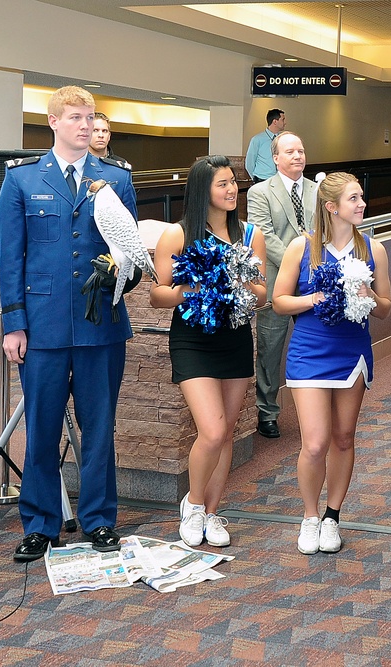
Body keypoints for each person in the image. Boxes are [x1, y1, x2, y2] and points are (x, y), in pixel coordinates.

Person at [0, 85, 140, 562]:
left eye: (91, 116)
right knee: (41, 427)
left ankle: (99, 520)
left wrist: (121, 275)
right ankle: (40, 523)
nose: (85, 124)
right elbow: (10, 258)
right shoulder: (21, 181)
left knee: (100, 428)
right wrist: (13, 324)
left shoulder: (115, 178)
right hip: (42, 326)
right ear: (53, 122)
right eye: (75, 117)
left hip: (100, 325)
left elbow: (132, 253)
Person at [149, 155, 267, 548]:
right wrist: (194, 288)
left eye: (234, 182)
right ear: (203, 190)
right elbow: (157, 295)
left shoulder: (251, 235)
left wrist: (240, 282)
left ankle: (213, 512)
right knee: (212, 430)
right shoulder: (178, 235)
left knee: (227, 432)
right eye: (222, 183)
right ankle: (194, 504)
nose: (232, 189)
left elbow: (263, 295)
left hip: (234, 337)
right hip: (192, 339)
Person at [272, 172, 391, 555]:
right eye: (354, 199)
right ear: (331, 207)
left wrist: (368, 293)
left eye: (361, 197)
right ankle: (309, 517)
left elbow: (387, 310)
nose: (362, 204)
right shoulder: (301, 247)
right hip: (309, 351)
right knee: (315, 442)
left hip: (351, 352)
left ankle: (331, 517)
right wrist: (316, 299)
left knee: (343, 438)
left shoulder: (374, 249)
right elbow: (278, 300)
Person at [246, 131, 317, 439]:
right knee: (270, 349)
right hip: (276, 282)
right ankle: (267, 411)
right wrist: (299, 262)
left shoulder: (320, 190)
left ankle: (316, 409)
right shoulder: (260, 192)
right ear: (275, 158)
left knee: (315, 344)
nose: (297, 156)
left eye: (300, 150)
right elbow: (263, 236)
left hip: (315, 281)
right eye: (290, 152)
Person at [245, 108, 285, 182]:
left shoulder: (283, 139)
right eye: (283, 119)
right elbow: (249, 163)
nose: (285, 123)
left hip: (279, 179)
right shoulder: (257, 139)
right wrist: (255, 178)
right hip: (262, 179)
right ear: (275, 122)